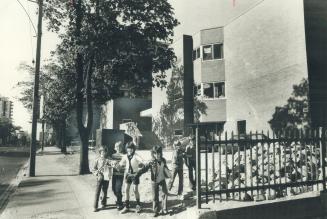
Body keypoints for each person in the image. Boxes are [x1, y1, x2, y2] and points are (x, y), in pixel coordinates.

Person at [137, 145, 171, 217]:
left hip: (162, 179)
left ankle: (164, 208)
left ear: (161, 153)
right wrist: (138, 174)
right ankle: (156, 211)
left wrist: (169, 174)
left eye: (158, 153)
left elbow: (166, 168)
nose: (157, 155)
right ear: (153, 154)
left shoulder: (163, 160)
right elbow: (145, 168)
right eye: (155, 153)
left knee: (165, 194)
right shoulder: (151, 161)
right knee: (155, 196)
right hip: (154, 181)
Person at [118, 142, 144, 214]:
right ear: (126, 149)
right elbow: (120, 164)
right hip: (128, 175)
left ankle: (138, 205)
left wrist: (140, 168)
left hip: (135, 175)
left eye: (131, 148)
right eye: (128, 148)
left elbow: (142, 161)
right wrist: (117, 165)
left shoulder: (136, 156)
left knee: (135, 190)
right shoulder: (125, 156)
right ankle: (126, 206)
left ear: (133, 149)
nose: (129, 150)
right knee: (126, 189)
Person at [92, 147, 112, 212]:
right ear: (100, 152)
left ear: (106, 152)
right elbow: (93, 169)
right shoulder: (97, 160)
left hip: (106, 177)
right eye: (102, 151)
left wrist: (109, 172)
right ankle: (95, 206)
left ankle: (103, 203)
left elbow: (111, 167)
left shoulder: (108, 160)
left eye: (104, 151)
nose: (103, 153)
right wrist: (96, 173)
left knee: (105, 190)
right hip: (100, 177)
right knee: (97, 191)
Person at [111, 141, 125, 210]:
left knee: (118, 189)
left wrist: (120, 167)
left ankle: (120, 204)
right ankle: (119, 198)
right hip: (114, 175)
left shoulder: (123, 156)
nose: (118, 148)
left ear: (122, 148)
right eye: (117, 147)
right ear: (114, 148)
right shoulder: (113, 155)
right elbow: (111, 164)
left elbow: (124, 165)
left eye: (120, 147)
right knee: (113, 189)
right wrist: (113, 165)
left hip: (120, 175)